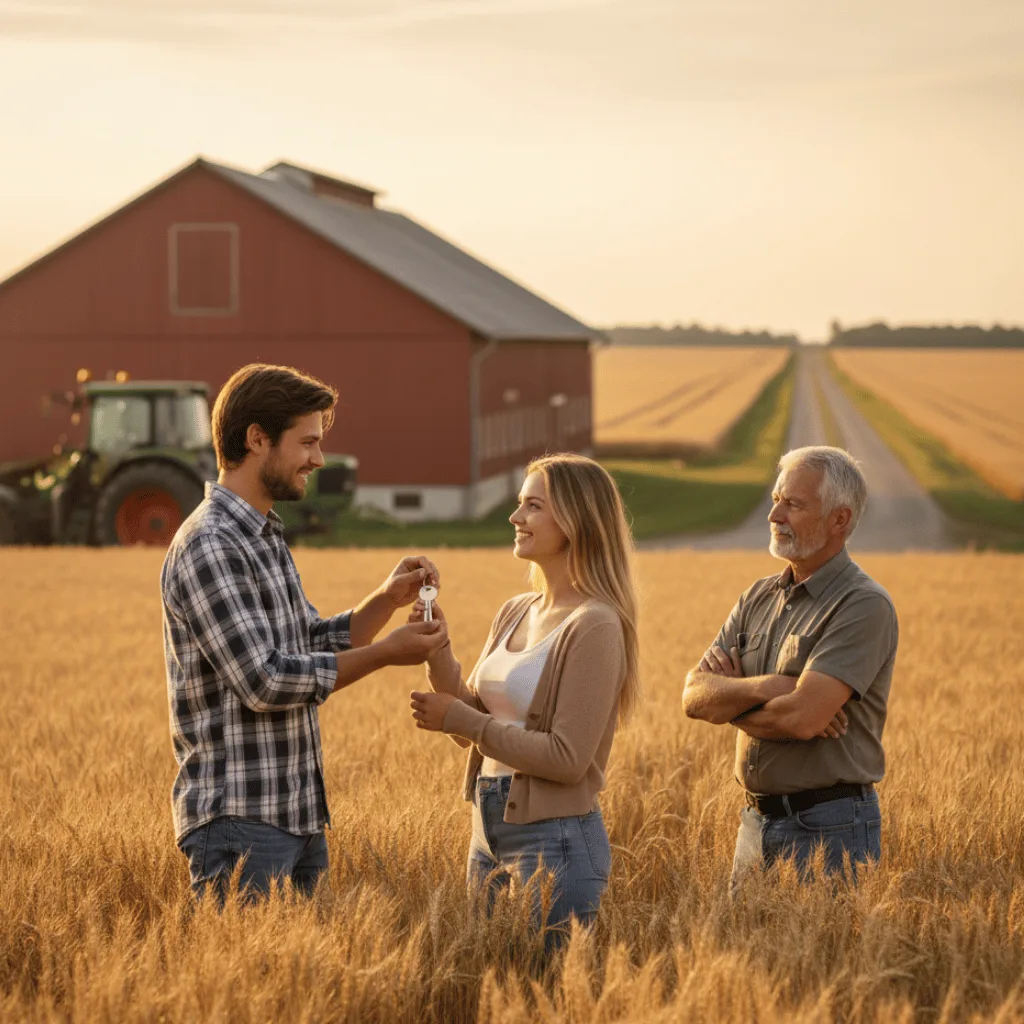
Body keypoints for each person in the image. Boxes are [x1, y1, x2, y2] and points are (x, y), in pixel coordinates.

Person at [161, 363, 449, 903]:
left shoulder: (263, 534)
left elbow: (310, 641)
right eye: (308, 442)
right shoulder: (211, 543)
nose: (318, 458)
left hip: (294, 816)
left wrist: (387, 600)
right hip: (240, 822)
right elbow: (265, 680)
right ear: (256, 439)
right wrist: (388, 654)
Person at [408, 454, 640, 948]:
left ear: (576, 522)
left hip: (555, 839)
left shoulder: (595, 623)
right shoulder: (515, 611)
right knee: (492, 978)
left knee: (547, 992)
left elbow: (567, 758)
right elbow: (470, 717)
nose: (515, 518)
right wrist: (438, 650)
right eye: (519, 505)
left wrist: (466, 722)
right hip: (486, 830)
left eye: (532, 506)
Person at [683, 446, 898, 885]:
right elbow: (693, 697)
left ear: (839, 520)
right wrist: (771, 688)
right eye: (776, 499)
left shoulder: (862, 604)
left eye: (793, 504)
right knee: (743, 953)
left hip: (830, 827)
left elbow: (803, 718)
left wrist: (732, 703)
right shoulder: (757, 597)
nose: (774, 514)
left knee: (825, 954)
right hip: (754, 823)